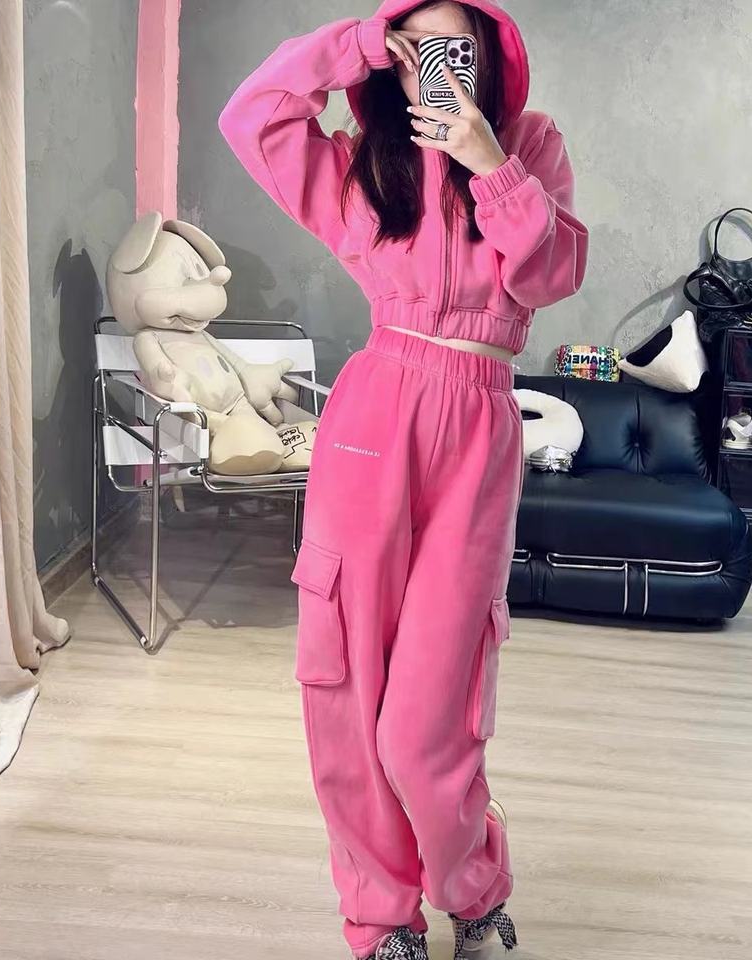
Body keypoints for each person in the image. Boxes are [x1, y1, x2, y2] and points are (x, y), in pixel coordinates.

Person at [218, 2, 588, 957]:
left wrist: (485, 159)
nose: (439, 65)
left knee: (430, 716)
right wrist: (350, 45)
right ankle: (381, 917)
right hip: (376, 415)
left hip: (479, 424)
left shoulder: (530, 146)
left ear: (489, 54)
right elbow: (251, 115)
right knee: (345, 685)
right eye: (418, 46)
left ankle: (471, 884)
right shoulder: (360, 161)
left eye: (455, 47)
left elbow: (551, 274)